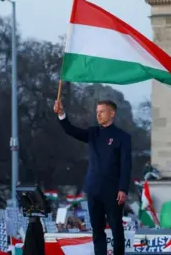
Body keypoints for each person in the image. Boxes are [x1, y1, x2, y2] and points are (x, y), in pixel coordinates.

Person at [54, 99, 131, 255]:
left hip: (113, 191)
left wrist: (123, 189)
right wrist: (61, 114)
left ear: (112, 113)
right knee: (97, 229)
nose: (98, 114)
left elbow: (126, 165)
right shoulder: (93, 133)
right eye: (97, 112)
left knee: (116, 228)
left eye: (102, 111)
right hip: (94, 189)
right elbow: (71, 130)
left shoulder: (122, 137)